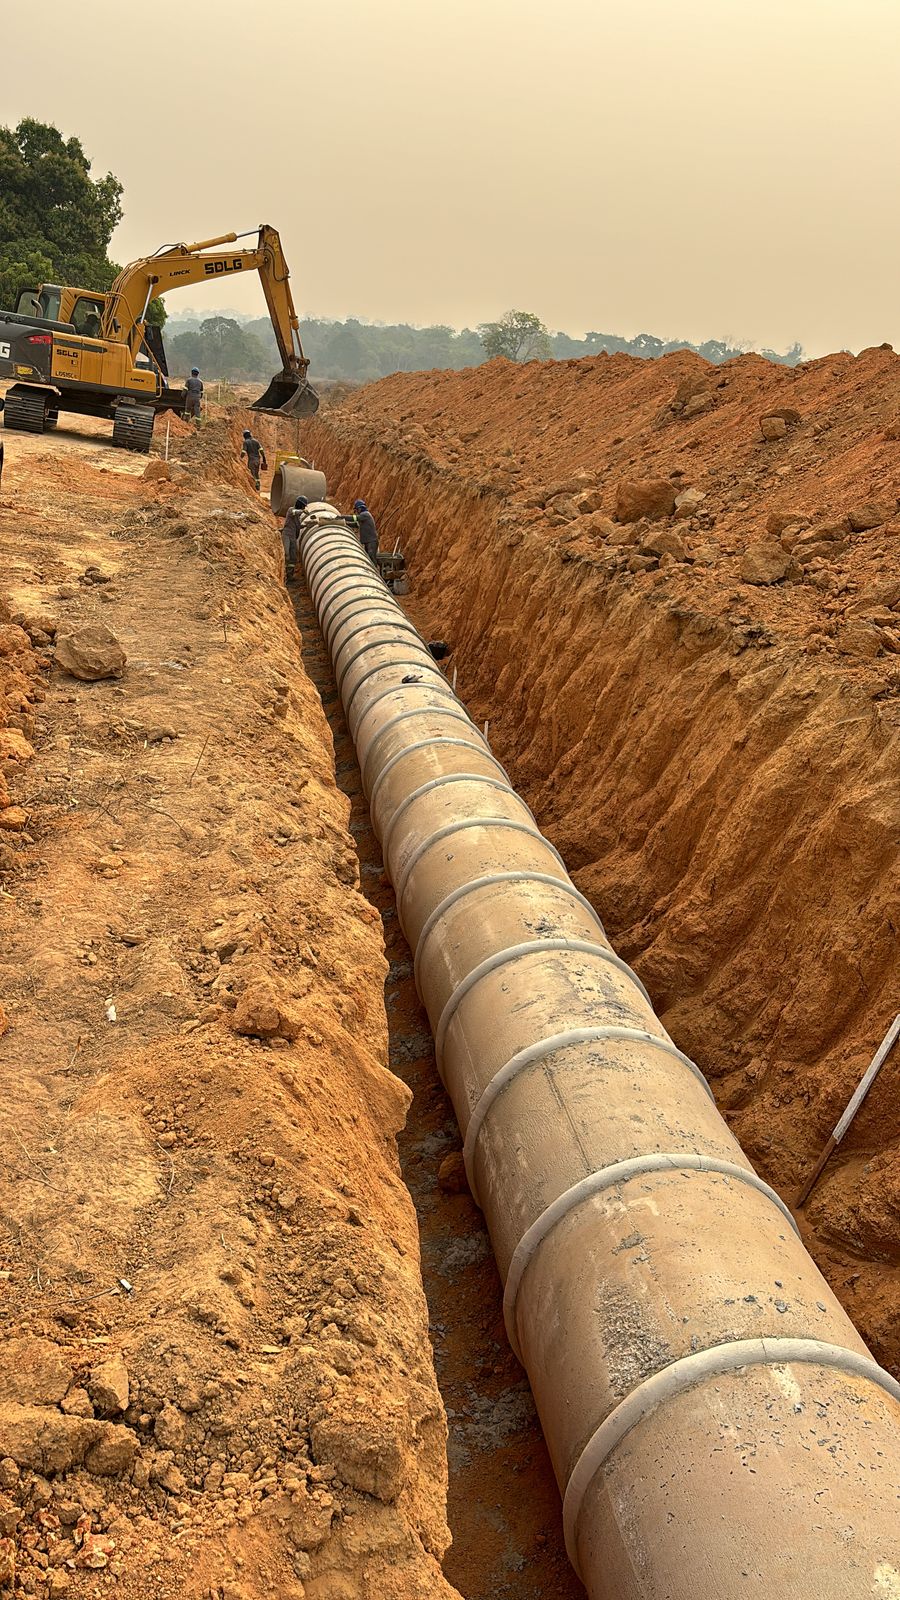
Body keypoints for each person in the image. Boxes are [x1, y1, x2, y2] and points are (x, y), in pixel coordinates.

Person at [281, 496, 308, 579]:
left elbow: (298, 526)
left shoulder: (298, 517)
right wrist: (303, 511)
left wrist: (307, 524)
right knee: (286, 554)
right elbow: (294, 512)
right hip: (287, 535)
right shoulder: (291, 510)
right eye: (303, 506)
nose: (303, 508)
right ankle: (283, 575)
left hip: (293, 537)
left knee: (293, 557)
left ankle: (290, 576)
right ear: (299, 504)